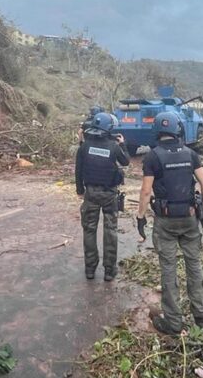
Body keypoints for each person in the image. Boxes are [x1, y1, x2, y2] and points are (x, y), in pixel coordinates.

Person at [136, 111, 203, 335]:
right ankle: (201, 316)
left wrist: (140, 217)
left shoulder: (152, 157)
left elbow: (145, 191)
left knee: (168, 269)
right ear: (178, 129)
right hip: (190, 218)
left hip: (165, 221)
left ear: (157, 131)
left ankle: (173, 321)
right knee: (194, 265)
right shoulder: (190, 154)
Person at [75, 112, 129, 281]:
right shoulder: (113, 146)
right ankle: (109, 271)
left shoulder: (84, 146)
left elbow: (78, 170)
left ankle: (90, 269)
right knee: (110, 230)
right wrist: (123, 145)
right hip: (109, 194)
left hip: (90, 193)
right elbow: (126, 161)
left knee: (89, 230)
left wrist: (79, 190)